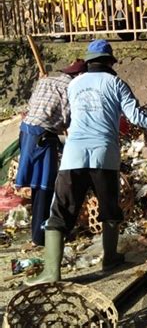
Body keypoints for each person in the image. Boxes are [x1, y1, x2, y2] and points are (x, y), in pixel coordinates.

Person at [27, 39, 147, 285]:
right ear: (111, 62)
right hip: (105, 155)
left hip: (74, 156)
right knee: (109, 208)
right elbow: (135, 116)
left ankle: (51, 272)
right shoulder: (116, 83)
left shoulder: (75, 84)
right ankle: (110, 258)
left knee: (60, 211)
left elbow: (68, 119)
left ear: (88, 62)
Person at [15, 59, 87, 248]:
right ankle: (40, 236)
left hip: (25, 131)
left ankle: (38, 232)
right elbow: (66, 118)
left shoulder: (45, 81)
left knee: (37, 186)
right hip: (42, 136)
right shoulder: (72, 89)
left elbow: (31, 105)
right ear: (79, 76)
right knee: (44, 186)